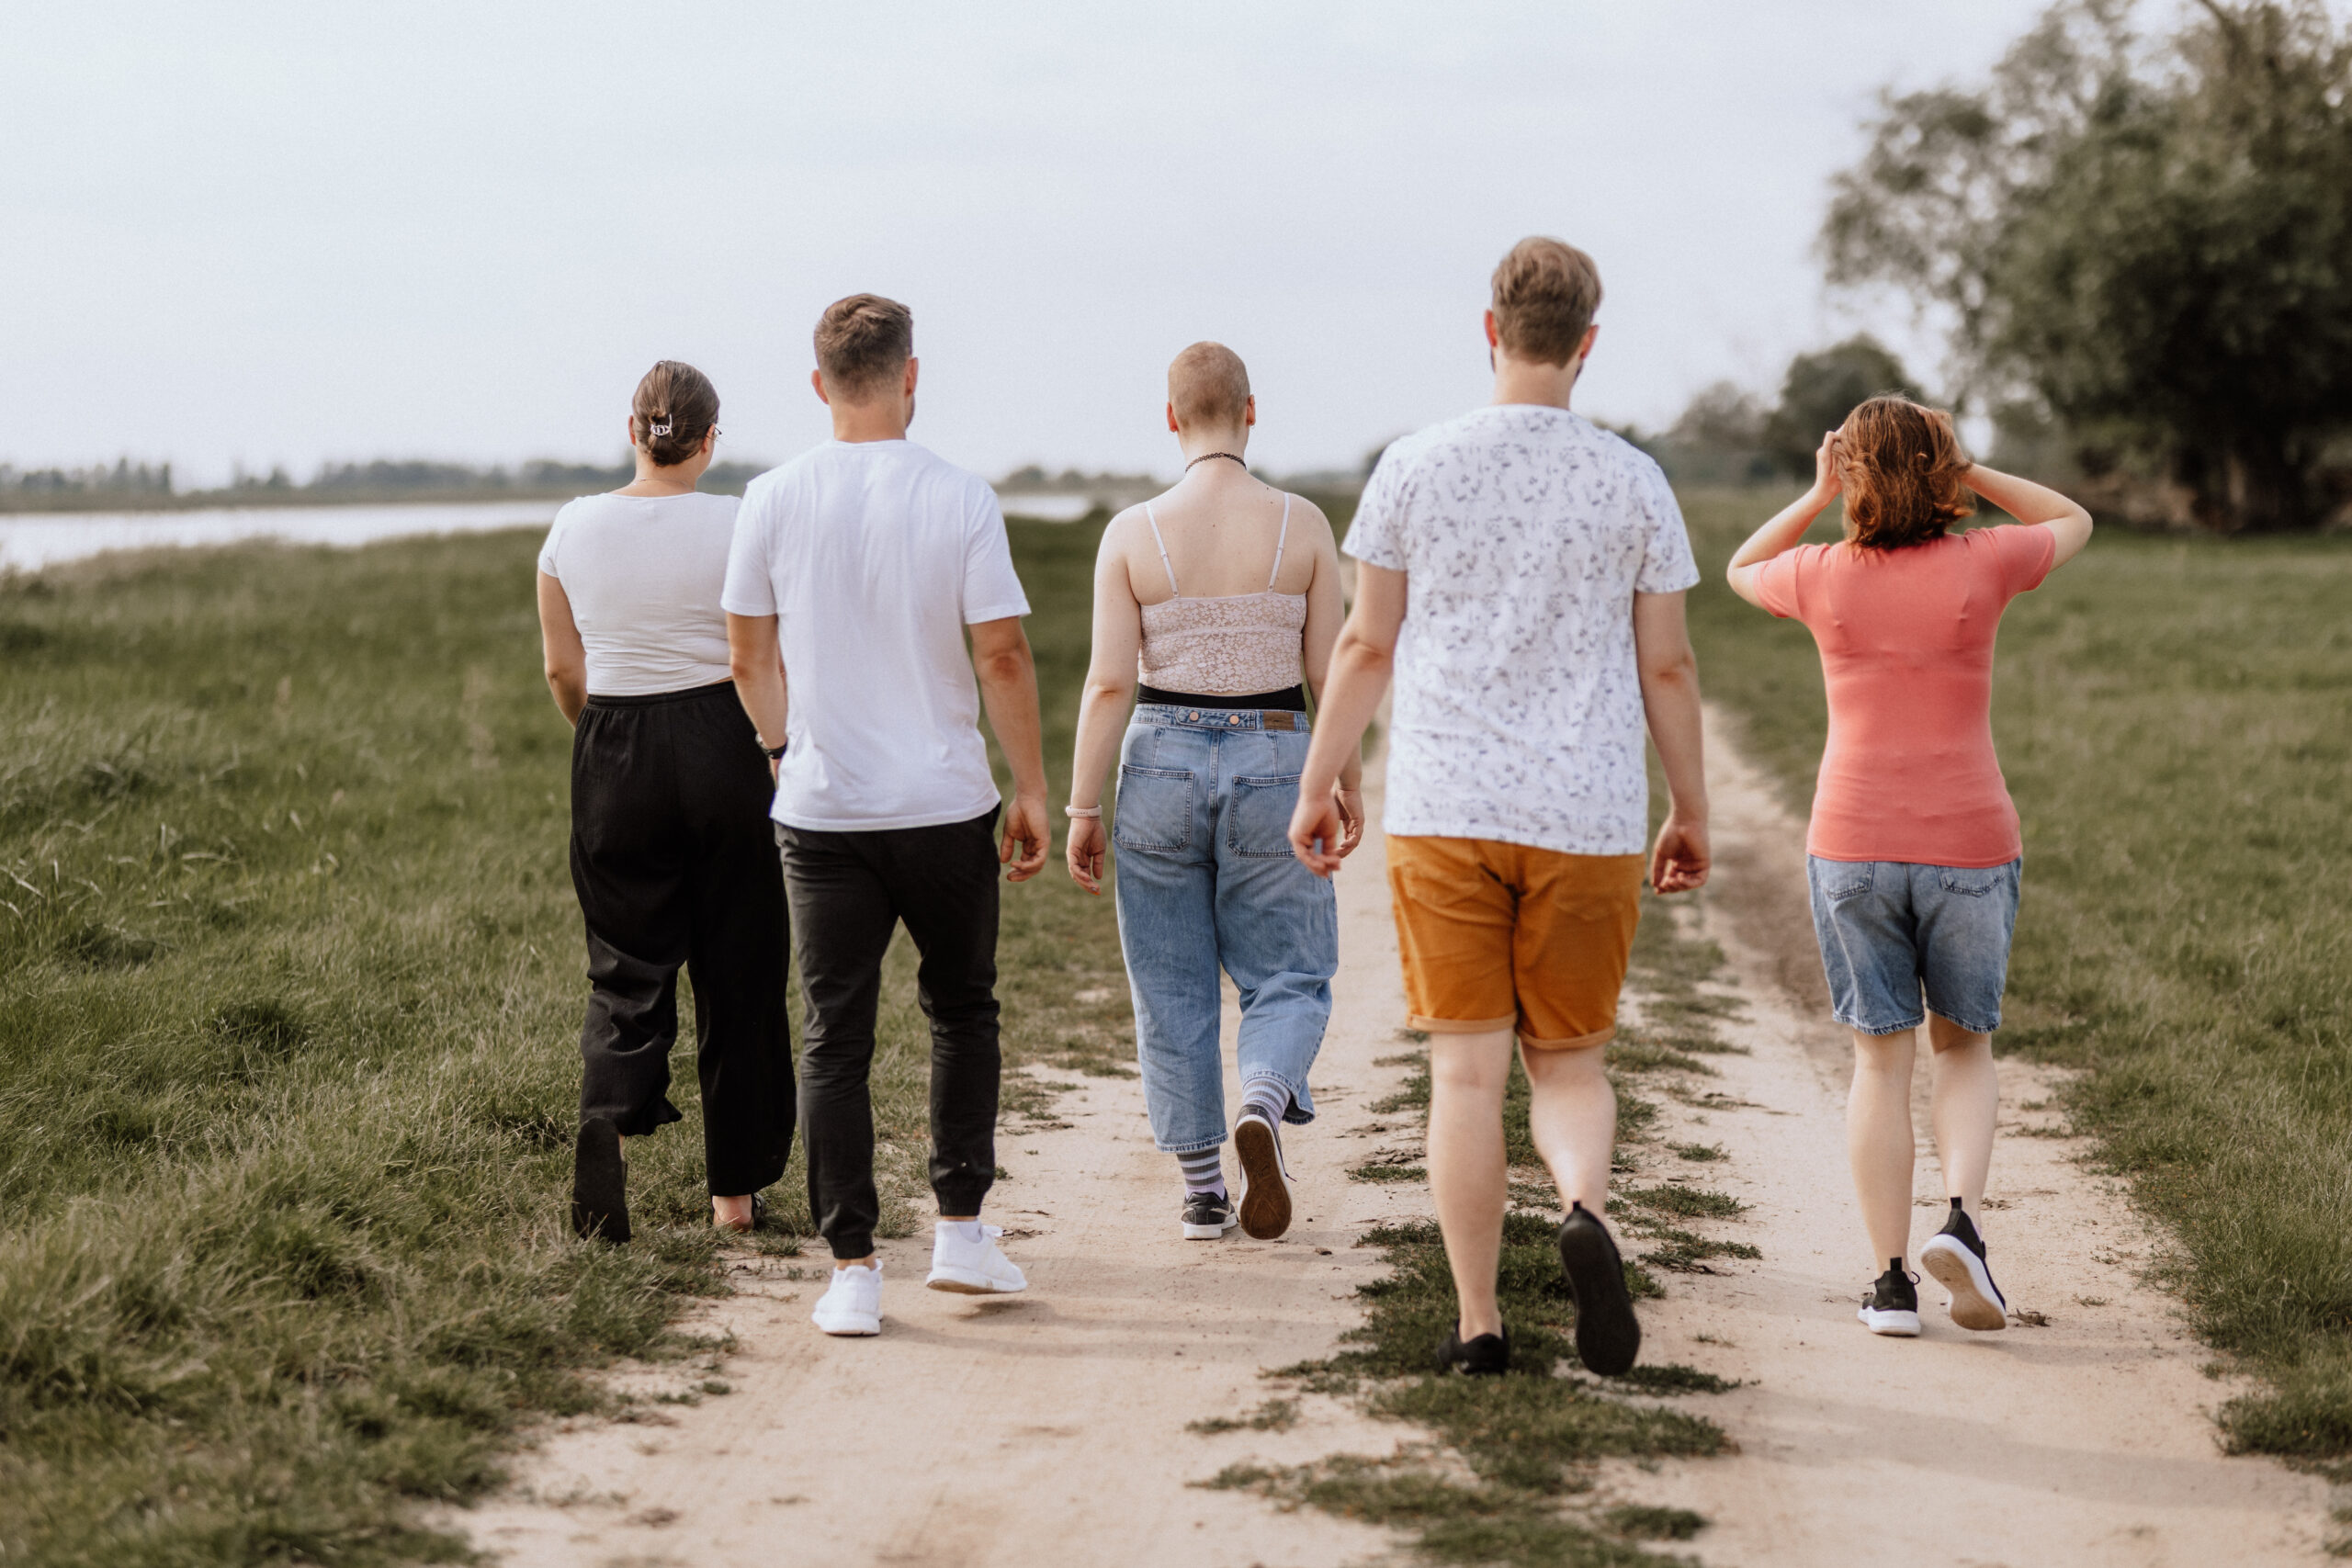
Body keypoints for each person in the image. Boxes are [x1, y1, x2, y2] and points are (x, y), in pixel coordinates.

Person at [1289, 237, 1710, 1380]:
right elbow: (1666, 669)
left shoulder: (1412, 468)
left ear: (1490, 331)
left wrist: (1322, 776)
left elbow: (1367, 643)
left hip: (1447, 805)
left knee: (1465, 1075)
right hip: (1586, 817)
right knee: (1568, 1065)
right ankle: (1580, 1205)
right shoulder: (1633, 481)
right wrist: (1690, 806)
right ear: (1586, 344)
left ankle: (1478, 1322)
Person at [1724, 399, 2092, 1337]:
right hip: (1969, 840)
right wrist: (1967, 473)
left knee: (1876, 1062)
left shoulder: (1818, 576)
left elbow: (1735, 568)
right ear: (1939, 471)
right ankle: (1961, 1222)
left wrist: (1814, 493)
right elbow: (2071, 519)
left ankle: (1890, 1285)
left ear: (1849, 473)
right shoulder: (1983, 562)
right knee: (1961, 1046)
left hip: (1851, 844)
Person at [723, 293, 1050, 1338]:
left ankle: (852, 1269)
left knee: (835, 1038)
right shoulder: (960, 497)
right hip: (947, 803)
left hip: (821, 811)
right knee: (961, 1013)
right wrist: (1032, 786)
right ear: (913, 375)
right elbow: (1000, 653)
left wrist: (781, 748)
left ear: (820, 385)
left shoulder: (769, 497)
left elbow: (746, 654)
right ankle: (959, 1232)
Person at [1064, 343, 1363, 1244]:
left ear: (1169, 418)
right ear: (1251, 411)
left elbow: (1108, 685)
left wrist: (1083, 807)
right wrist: (1342, 780)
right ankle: (1263, 1104)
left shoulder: (1132, 532)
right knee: (1289, 974)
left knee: (1171, 987)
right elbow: (1331, 668)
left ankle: (1201, 1193)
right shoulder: (1301, 523)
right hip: (1276, 758)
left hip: (1157, 762)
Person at [537, 360, 793, 1245]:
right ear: (709, 438)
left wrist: (603, 735)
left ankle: (605, 1139)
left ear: (631, 429)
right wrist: (774, 745)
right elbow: (768, 653)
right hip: (726, 744)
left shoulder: (570, 528)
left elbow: (562, 669)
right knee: (741, 969)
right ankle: (734, 1196)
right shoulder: (744, 519)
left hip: (613, 746)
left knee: (624, 964)